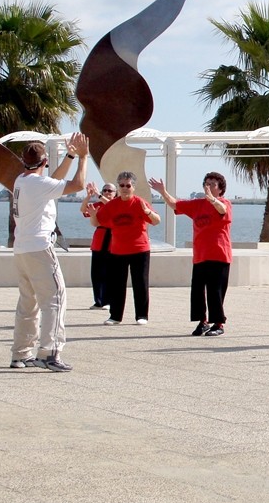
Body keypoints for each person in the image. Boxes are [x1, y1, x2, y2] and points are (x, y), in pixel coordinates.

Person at [9, 133, 89, 372]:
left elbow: (53, 182)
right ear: (44, 162)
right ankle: (49, 353)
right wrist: (83, 158)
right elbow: (78, 185)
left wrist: (71, 155)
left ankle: (20, 354)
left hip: (22, 249)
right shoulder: (38, 184)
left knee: (28, 304)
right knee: (55, 300)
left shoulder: (22, 181)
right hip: (39, 248)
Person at [148, 173, 233, 337]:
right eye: (206, 184)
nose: (208, 187)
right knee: (198, 290)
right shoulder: (197, 205)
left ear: (220, 188)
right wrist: (163, 191)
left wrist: (212, 199)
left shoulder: (224, 203)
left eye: (213, 184)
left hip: (219, 254)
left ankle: (219, 323)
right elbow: (175, 204)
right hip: (200, 255)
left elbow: (222, 210)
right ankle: (203, 321)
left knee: (215, 290)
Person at [91, 171, 160, 326]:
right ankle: (115, 316)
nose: (124, 188)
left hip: (140, 249)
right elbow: (96, 223)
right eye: (121, 185)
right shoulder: (112, 205)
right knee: (117, 284)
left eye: (128, 185)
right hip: (117, 251)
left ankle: (142, 315)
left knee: (140, 283)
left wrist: (148, 212)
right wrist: (93, 215)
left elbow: (156, 221)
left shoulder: (140, 202)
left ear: (133, 187)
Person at [80, 181, 115, 310]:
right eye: (104, 190)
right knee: (96, 272)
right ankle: (98, 301)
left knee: (109, 272)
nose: (106, 192)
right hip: (100, 238)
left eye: (109, 190)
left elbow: (111, 205)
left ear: (115, 193)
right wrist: (88, 196)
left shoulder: (116, 204)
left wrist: (98, 194)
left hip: (112, 239)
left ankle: (108, 300)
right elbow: (83, 210)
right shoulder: (98, 205)